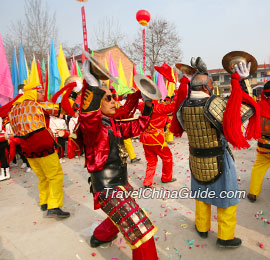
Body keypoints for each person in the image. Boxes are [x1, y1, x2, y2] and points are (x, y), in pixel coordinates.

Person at [172, 57, 260, 248]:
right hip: (218, 158)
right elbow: (245, 110)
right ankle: (225, 237)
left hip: (195, 158)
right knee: (226, 197)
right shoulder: (214, 103)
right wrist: (244, 84)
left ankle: (202, 228)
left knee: (202, 195)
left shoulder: (182, 106)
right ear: (205, 88)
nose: (213, 87)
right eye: (211, 84)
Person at [78, 58, 158, 260]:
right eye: (108, 98)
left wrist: (147, 105)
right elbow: (87, 118)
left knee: (123, 217)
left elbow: (137, 126)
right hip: (108, 189)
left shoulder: (112, 124)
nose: (114, 101)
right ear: (97, 102)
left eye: (113, 97)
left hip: (121, 184)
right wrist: (93, 88)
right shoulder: (92, 129)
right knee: (141, 231)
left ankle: (100, 235)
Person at [8, 82, 77, 218]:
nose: (42, 94)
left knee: (42, 177)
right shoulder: (37, 105)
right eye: (39, 92)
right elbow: (62, 109)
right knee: (55, 175)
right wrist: (73, 95)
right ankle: (54, 206)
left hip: (26, 148)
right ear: (32, 93)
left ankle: (44, 201)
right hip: (41, 144)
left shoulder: (13, 109)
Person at [138, 90, 177, 188]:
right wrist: (177, 94)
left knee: (151, 161)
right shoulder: (159, 108)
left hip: (145, 139)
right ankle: (166, 178)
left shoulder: (141, 106)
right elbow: (174, 106)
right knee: (167, 157)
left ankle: (147, 182)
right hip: (157, 139)